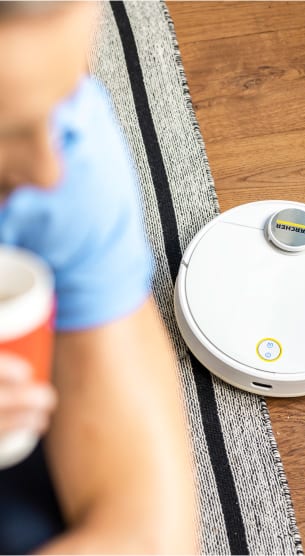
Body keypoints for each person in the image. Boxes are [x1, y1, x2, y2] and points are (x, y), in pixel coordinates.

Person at [0, 2, 198, 553]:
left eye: (63, 95)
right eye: (4, 132)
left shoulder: (66, 151)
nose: (47, 170)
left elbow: (149, 536)